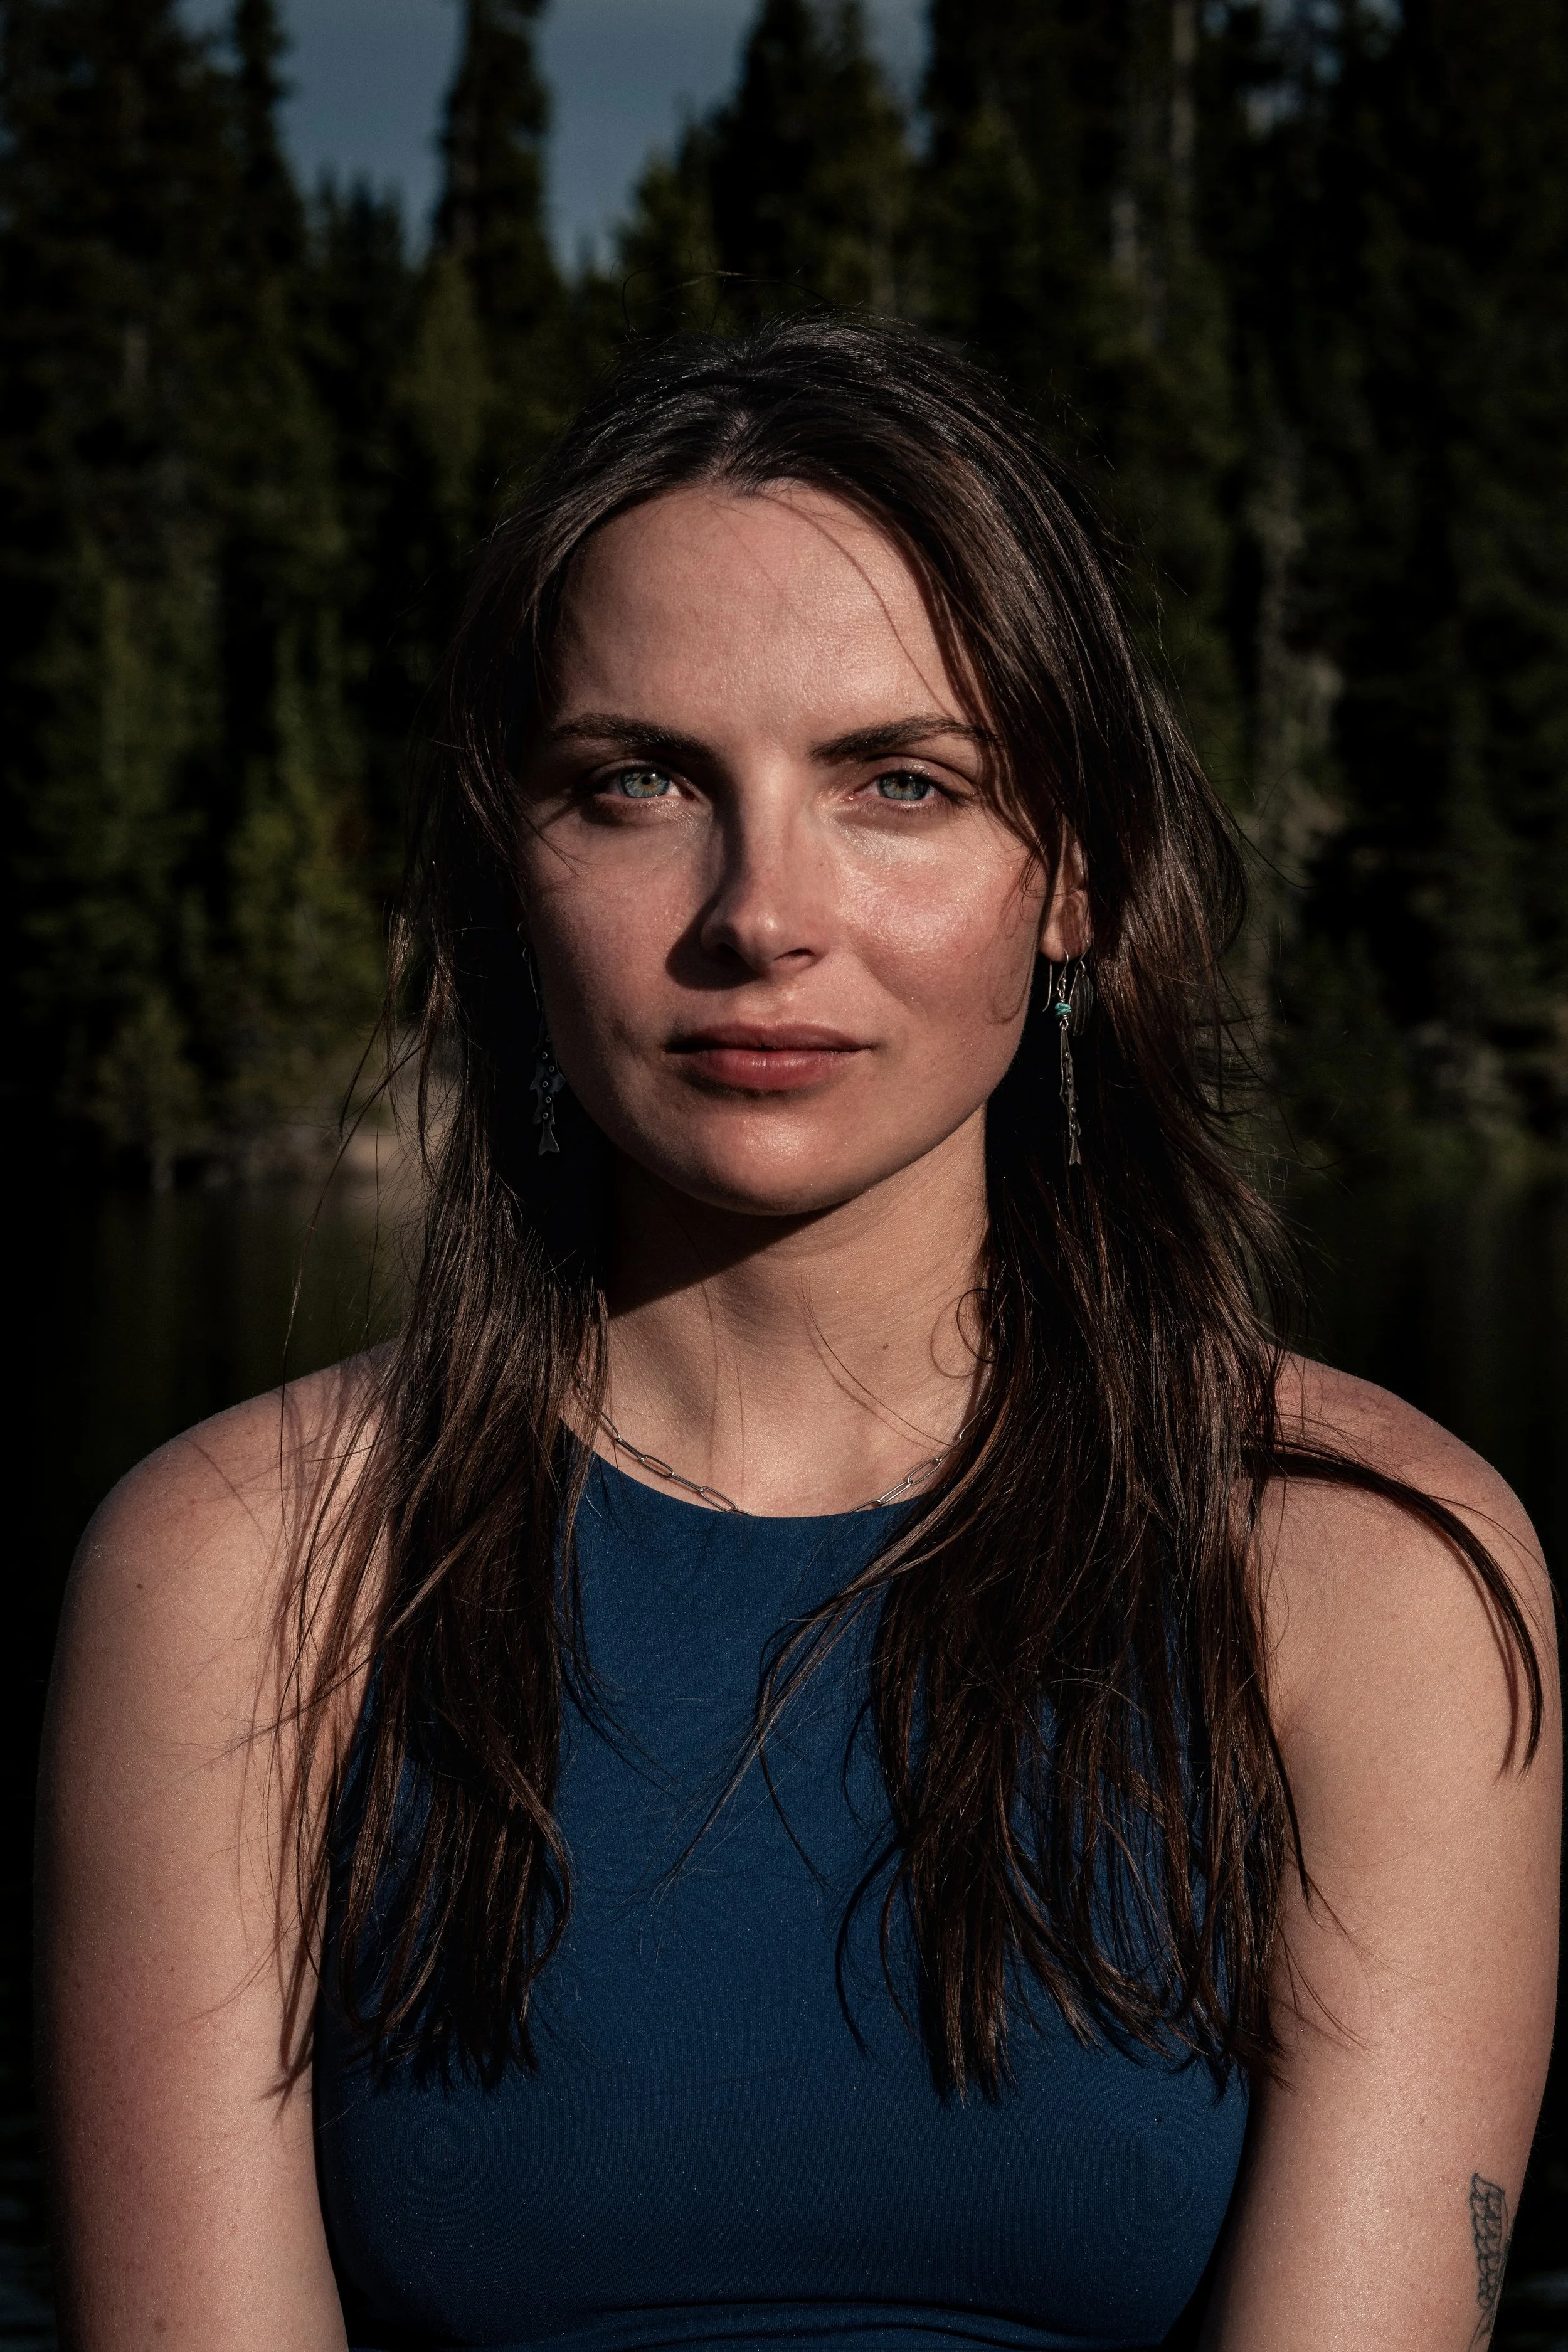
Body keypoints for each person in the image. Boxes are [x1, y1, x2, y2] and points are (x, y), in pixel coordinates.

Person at [37, 316, 1559, 2352]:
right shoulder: (242, 1572)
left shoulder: (1361, 1569)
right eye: (638, 778)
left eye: (899, 782)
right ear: (512, 861)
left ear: (1073, 875)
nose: (761, 909)